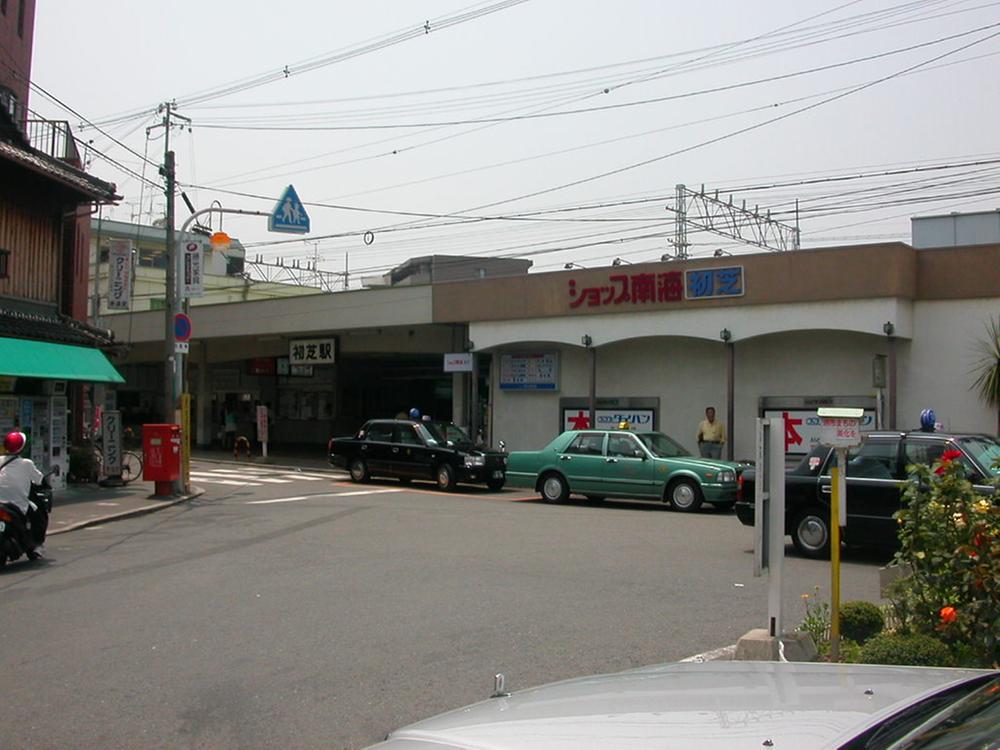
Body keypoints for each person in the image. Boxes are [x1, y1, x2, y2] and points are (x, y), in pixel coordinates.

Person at [0, 431, 45, 559]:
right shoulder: (26, 463)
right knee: (39, 515)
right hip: (18, 506)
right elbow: (39, 480)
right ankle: (37, 545)